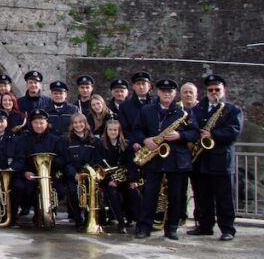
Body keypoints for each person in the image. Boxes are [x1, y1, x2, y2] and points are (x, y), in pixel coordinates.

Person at [134, 79, 198, 240]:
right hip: (154, 158)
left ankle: (172, 228)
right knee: (149, 195)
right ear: (158, 93)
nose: (166, 94)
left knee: (175, 196)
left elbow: (195, 133)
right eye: (163, 91)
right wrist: (145, 140)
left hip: (176, 160)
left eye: (170, 91)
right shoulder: (147, 110)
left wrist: (180, 135)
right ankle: (144, 227)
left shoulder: (184, 112)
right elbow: (137, 130)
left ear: (175, 93)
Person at [188, 75, 244, 241]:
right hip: (201, 160)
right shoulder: (198, 109)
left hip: (220, 160)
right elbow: (192, 126)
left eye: (217, 89)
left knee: (224, 197)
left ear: (223, 90)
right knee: (202, 196)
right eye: (210, 90)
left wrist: (213, 135)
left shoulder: (233, 110)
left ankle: (227, 229)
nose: (213, 93)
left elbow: (233, 132)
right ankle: (205, 226)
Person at [11, 109, 66, 228]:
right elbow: (19, 159)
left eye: (41, 123)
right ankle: (37, 212)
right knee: (28, 190)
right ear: (31, 124)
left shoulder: (55, 140)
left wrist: (52, 166)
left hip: (50, 174)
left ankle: (51, 211)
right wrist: (25, 172)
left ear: (47, 124)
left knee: (60, 191)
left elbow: (62, 159)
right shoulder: (23, 140)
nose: (39, 125)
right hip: (30, 175)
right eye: (36, 123)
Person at [101, 117, 139, 234]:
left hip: (125, 178)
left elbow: (131, 164)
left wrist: (133, 180)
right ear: (106, 131)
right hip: (110, 179)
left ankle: (139, 222)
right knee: (113, 194)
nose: (113, 132)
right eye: (110, 130)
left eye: (115, 130)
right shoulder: (101, 145)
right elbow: (99, 165)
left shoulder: (126, 145)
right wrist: (108, 180)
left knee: (135, 192)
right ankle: (120, 223)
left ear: (119, 131)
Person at [63, 113, 102, 229]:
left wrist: (89, 172)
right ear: (71, 125)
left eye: (81, 122)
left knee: (94, 192)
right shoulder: (66, 140)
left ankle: (90, 216)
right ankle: (78, 218)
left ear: (85, 124)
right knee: (72, 191)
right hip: (74, 175)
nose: (78, 125)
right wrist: (73, 174)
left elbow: (98, 159)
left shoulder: (94, 140)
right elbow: (65, 161)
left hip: (90, 175)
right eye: (75, 122)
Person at [120, 71, 156, 140]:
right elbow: (125, 129)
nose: (141, 87)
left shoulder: (157, 103)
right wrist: (133, 143)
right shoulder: (124, 106)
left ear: (149, 86)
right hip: (135, 146)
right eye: (138, 84)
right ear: (133, 86)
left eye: (143, 84)